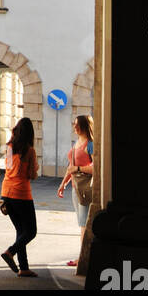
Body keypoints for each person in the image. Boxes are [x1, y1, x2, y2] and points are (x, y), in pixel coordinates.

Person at [0, 117, 39, 278]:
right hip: (21, 194)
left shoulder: (9, 147)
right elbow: (31, 175)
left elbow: (8, 168)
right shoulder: (29, 150)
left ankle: (24, 268)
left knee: (20, 231)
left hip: (6, 193)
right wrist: (35, 168)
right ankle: (10, 252)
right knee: (31, 232)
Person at [58, 114, 94, 267]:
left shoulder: (90, 144)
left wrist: (78, 168)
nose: (75, 127)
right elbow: (70, 166)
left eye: (78, 124)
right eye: (74, 124)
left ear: (85, 126)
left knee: (84, 226)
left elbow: (96, 168)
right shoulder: (77, 143)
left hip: (85, 188)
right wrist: (63, 183)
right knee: (81, 225)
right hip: (75, 188)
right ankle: (83, 256)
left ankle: (83, 258)